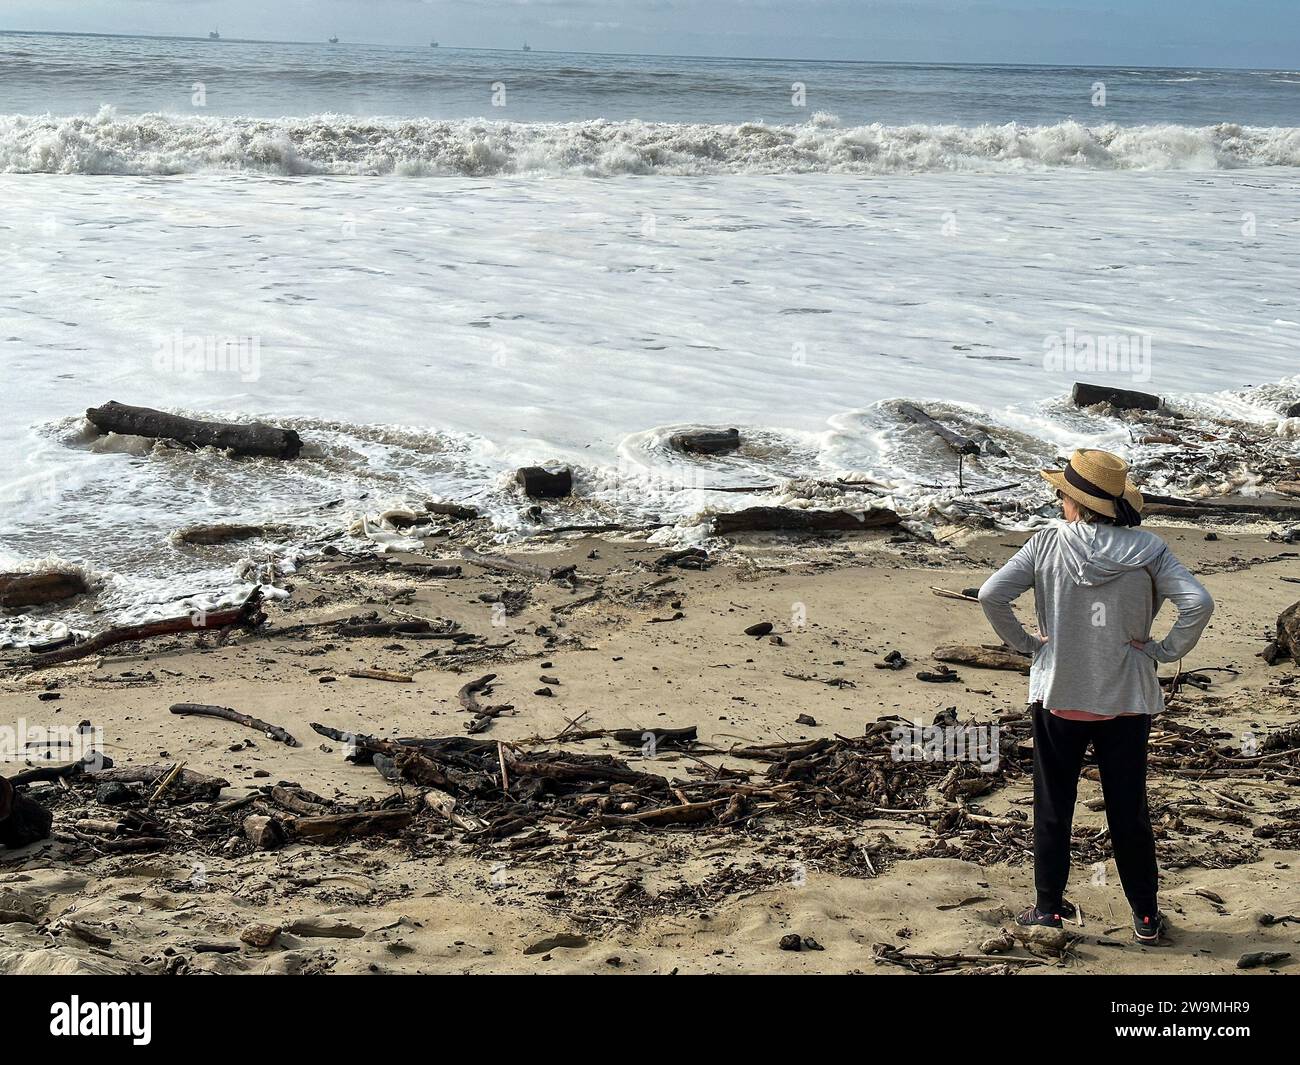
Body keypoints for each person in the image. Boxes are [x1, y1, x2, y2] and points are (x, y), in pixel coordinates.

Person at [977, 448, 1214, 943]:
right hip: (1127, 700)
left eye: (1060, 493)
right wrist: (1163, 651)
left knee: (1053, 805)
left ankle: (1047, 912)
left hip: (1061, 695)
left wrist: (1029, 647)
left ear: (1073, 500)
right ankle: (1146, 918)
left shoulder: (1044, 544)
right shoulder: (1149, 548)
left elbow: (991, 595)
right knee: (1129, 808)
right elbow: (1198, 602)